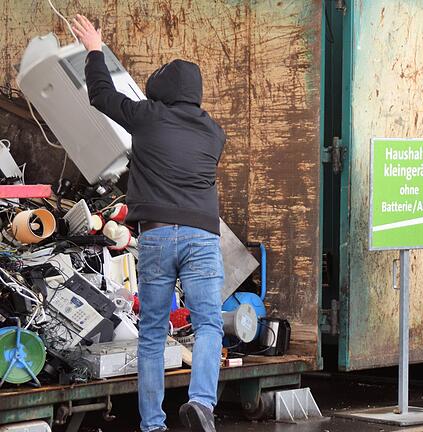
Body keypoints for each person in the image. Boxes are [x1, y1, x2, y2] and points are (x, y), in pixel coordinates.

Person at [72, 15, 225, 432]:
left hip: (157, 235)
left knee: (154, 332)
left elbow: (101, 96)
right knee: (210, 323)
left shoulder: (148, 117)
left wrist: (93, 48)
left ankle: (152, 424)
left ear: (163, 91)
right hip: (202, 235)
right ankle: (201, 404)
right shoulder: (215, 133)